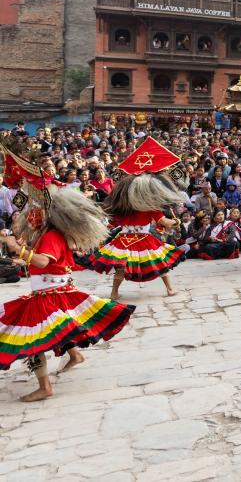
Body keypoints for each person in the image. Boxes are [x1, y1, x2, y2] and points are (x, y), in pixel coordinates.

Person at [0, 143, 134, 402]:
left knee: (32, 341)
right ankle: (75, 355)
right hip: (51, 291)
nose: (29, 216)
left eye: (33, 212)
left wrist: (19, 249)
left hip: (50, 295)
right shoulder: (45, 233)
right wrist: (21, 255)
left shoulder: (51, 235)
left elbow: (42, 262)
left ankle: (45, 387)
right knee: (59, 328)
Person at [85, 138, 186, 299]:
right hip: (144, 240)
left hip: (123, 240)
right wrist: (176, 221)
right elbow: (164, 222)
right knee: (159, 264)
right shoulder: (150, 207)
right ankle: (170, 289)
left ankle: (114, 293)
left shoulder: (122, 208)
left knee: (120, 268)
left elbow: (111, 223)